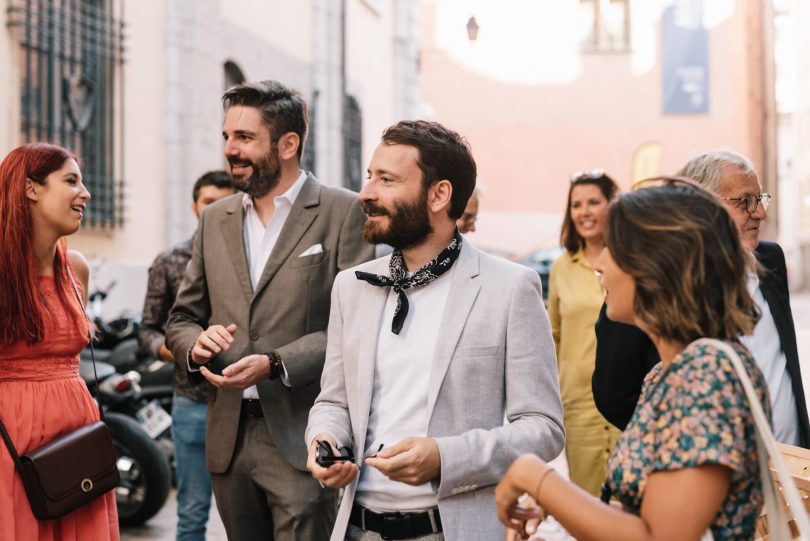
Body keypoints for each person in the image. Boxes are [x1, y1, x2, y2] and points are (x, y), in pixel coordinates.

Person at [306, 120, 565, 541]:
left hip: (452, 530)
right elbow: (333, 400)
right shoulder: (351, 287)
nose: (366, 193)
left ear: (439, 194)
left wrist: (446, 457)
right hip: (357, 529)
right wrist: (325, 440)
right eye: (370, 176)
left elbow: (543, 428)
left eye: (386, 180)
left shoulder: (509, 287)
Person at [496, 179, 770, 540]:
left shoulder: (706, 376)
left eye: (615, 248)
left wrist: (534, 475)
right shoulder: (667, 372)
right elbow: (646, 503)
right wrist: (564, 506)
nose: (600, 263)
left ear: (658, 266)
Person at [165, 80, 375, 540]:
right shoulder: (214, 219)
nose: (230, 150)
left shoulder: (343, 213)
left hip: (301, 435)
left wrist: (277, 363)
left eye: (244, 138)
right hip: (228, 438)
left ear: (288, 144)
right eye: (226, 137)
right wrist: (196, 347)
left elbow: (357, 325)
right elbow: (181, 318)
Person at [592, 150, 809, 447]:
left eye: (760, 199)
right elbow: (614, 394)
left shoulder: (770, 259)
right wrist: (687, 442)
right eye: (745, 201)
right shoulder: (652, 287)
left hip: (794, 467)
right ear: (700, 207)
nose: (760, 212)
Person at [0, 143, 119, 540]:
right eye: (71, 181)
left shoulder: (75, 268)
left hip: (76, 440)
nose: (85, 193)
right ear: (32, 188)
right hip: (10, 441)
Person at [138, 170, 234, 541]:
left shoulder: (252, 258)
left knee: (247, 514)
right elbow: (147, 329)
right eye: (209, 201)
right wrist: (179, 350)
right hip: (191, 401)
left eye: (224, 202)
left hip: (247, 405)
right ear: (195, 206)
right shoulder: (170, 260)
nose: (216, 209)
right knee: (192, 511)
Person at [547, 170, 621, 496]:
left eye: (594, 202)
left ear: (612, 205)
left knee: (633, 507)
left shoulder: (631, 260)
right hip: (578, 404)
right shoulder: (562, 267)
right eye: (577, 204)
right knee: (587, 505)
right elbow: (554, 336)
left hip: (627, 399)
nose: (584, 212)